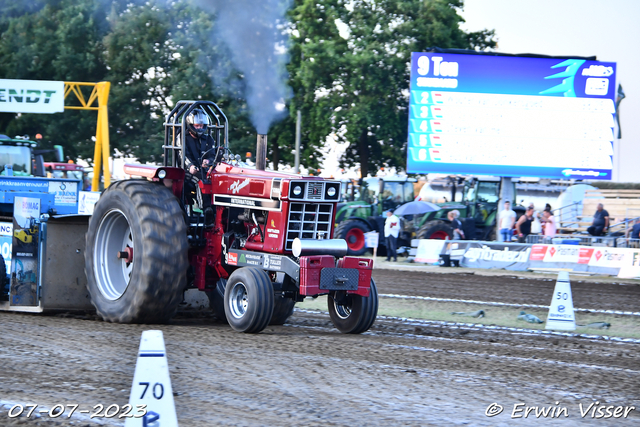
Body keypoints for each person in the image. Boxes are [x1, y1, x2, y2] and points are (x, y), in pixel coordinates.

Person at [183, 108, 220, 208]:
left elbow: (213, 155)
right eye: (197, 126)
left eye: (201, 126)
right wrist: (190, 166)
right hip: (186, 171)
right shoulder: (183, 138)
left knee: (219, 181)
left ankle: (220, 210)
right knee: (200, 181)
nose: (199, 128)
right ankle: (206, 209)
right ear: (191, 125)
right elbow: (183, 155)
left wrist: (208, 161)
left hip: (205, 170)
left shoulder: (208, 139)